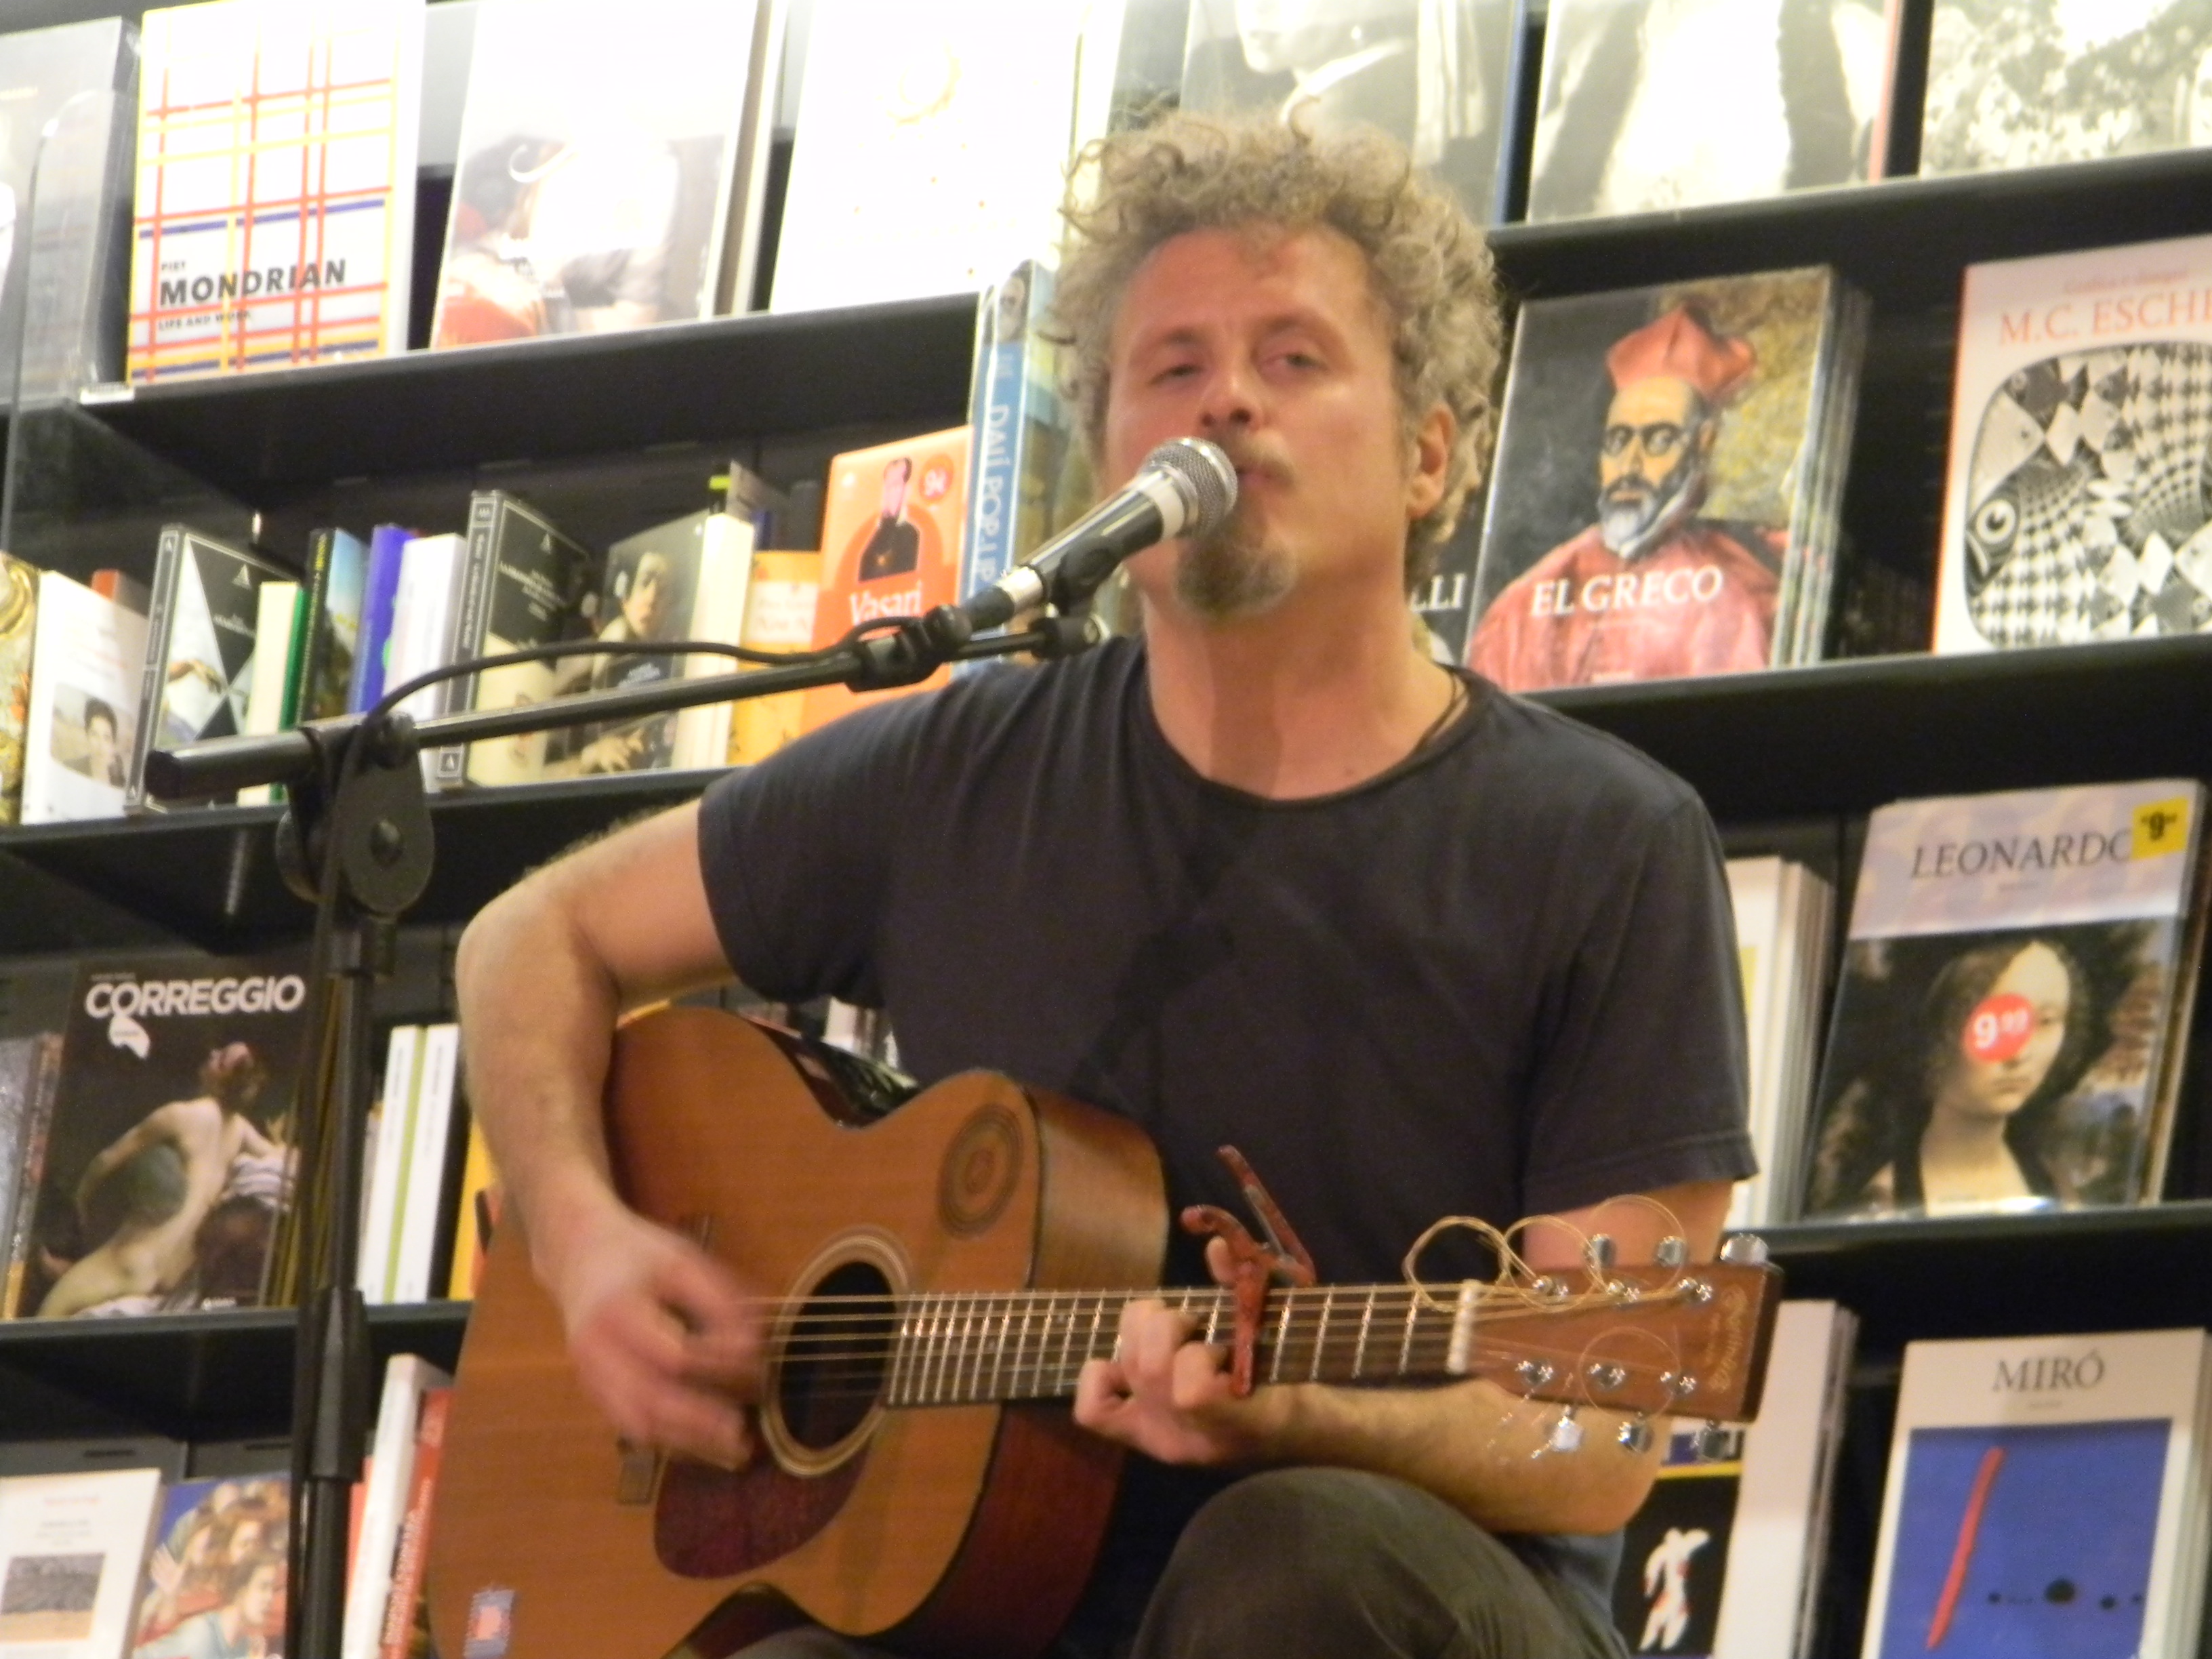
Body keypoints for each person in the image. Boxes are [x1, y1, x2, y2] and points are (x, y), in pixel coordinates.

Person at [455, 112, 1752, 1659]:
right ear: (1112, 465)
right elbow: (531, 934)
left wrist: (1304, 1418)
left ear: (1428, 453)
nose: (1226, 400)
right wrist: (584, 1239)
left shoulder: (1604, 842)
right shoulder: (954, 772)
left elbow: (1594, 1438)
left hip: (1409, 1600)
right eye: (1173, 365)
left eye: (1292, 357)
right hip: (984, 1600)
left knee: (1285, 1553)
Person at [1469, 303, 1784, 691]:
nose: (1631, 465)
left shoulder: (1744, 593)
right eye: (1619, 441)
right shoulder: (1523, 606)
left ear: (1702, 445)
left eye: (1659, 440)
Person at [1805, 933, 2115, 1217]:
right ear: (1939, 1028)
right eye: (1993, 1022)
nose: (2019, 1054)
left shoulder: (2054, 1185)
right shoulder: (1882, 1203)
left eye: (2046, 1021)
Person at [37, 1042, 280, 1317]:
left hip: (134, 1262)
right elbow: (283, 1156)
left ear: (223, 1080)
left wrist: (80, 1202)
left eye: (220, 1058)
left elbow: (107, 1161)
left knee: (46, 1317)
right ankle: (75, 1272)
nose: (212, 1053)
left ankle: (76, 1275)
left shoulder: (181, 1115)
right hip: (170, 1278)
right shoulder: (242, 1132)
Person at [853, 456, 923, 581]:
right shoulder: (874, 536)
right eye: (887, 485)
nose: (888, 493)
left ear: (906, 491)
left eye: (895, 486)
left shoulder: (910, 534)